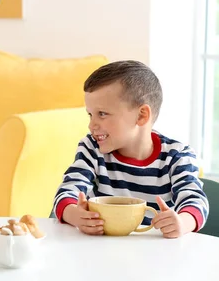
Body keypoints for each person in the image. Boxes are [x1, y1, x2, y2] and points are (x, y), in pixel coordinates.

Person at [52, 60, 209, 238]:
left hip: (158, 255)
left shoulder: (177, 156)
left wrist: (181, 222)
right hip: (100, 252)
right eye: (90, 114)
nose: (91, 125)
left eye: (102, 114)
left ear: (141, 116)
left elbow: (196, 201)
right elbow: (66, 192)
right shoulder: (91, 148)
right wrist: (75, 215)